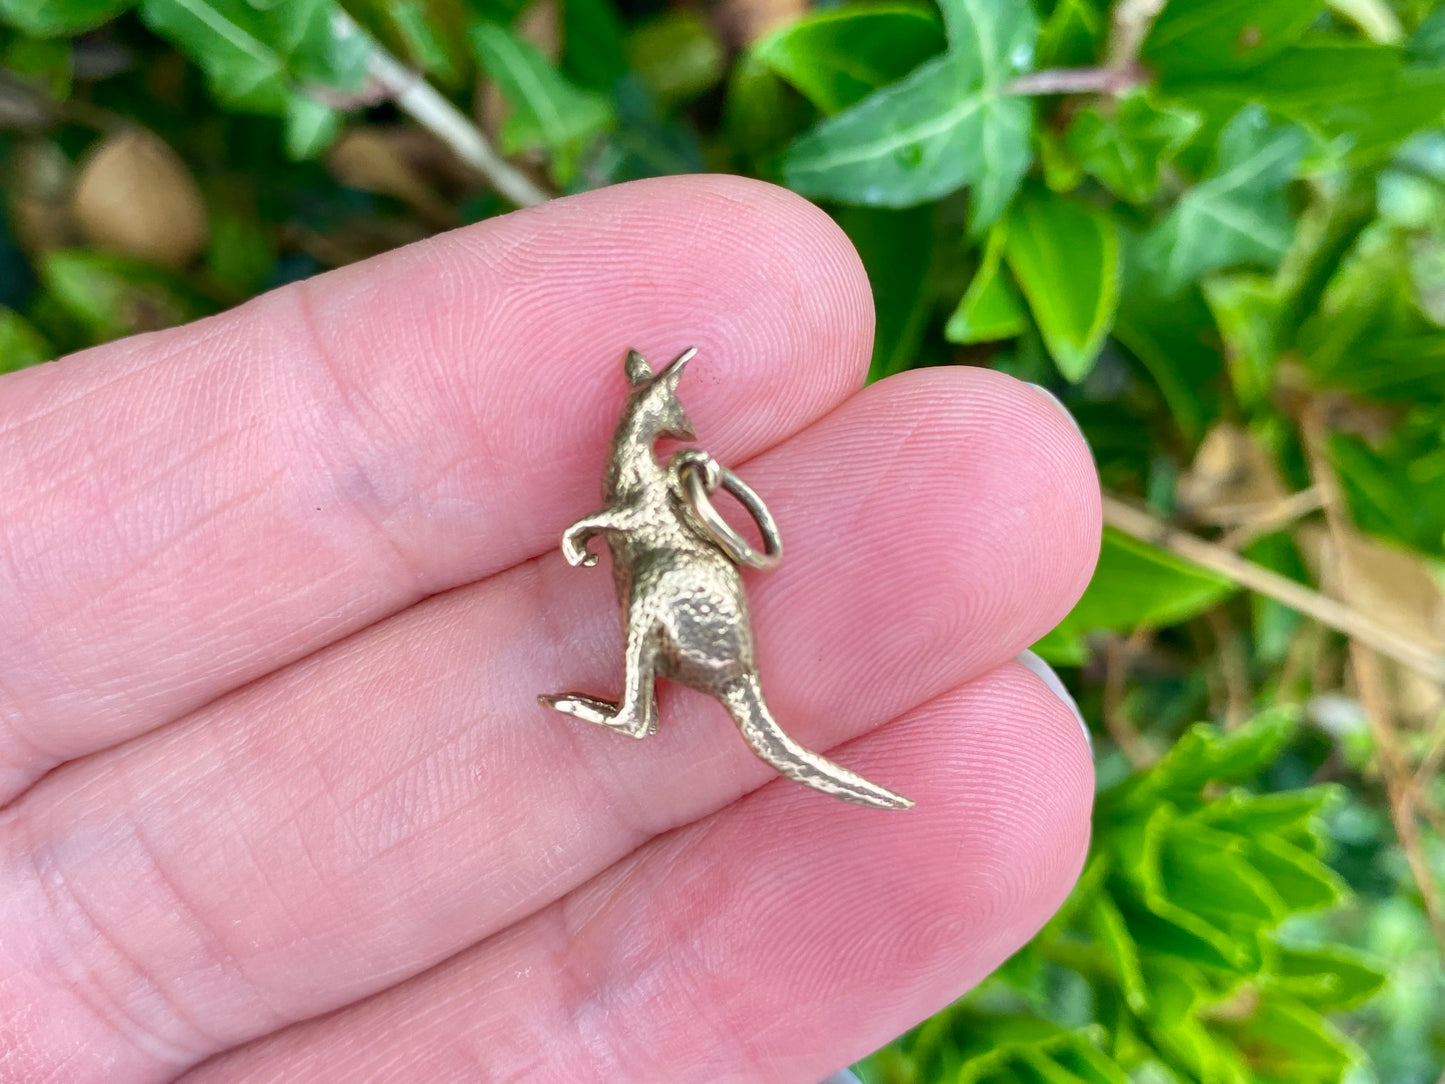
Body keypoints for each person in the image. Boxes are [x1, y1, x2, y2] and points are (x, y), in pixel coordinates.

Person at [0, 175, 1099, 1082]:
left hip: (697, 604)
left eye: (659, 413)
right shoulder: (642, 459)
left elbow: (726, 547)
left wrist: (692, 500)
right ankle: (629, 702)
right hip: (668, 587)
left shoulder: (670, 474)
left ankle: (633, 701)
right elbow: (628, 510)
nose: (657, 423)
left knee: (683, 610)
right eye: (657, 411)